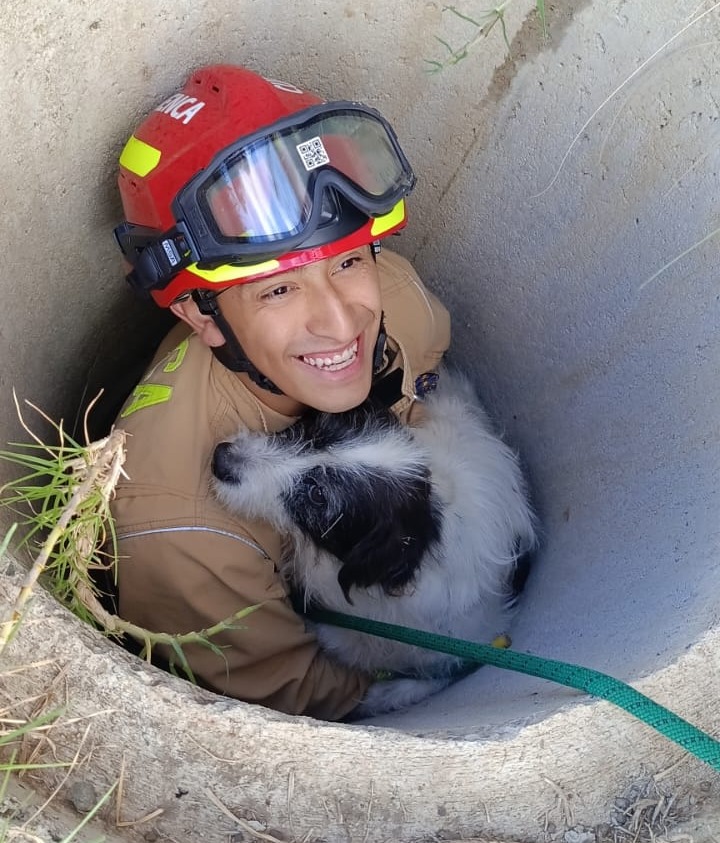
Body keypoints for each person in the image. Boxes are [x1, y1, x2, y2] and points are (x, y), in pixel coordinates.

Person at [110, 63, 451, 720]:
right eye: (278, 288)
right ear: (198, 314)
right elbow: (291, 688)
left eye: (348, 258)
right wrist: (430, 682)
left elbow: (427, 398)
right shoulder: (179, 528)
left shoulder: (401, 305)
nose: (340, 320)